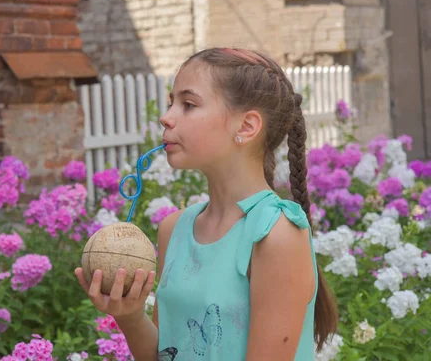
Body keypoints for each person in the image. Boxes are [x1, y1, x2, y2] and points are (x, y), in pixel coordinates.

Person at [74, 48, 339, 360]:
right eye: (170, 102)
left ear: (245, 127)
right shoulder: (174, 228)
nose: (166, 117)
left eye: (188, 104)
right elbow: (167, 355)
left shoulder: (275, 234)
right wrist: (130, 316)